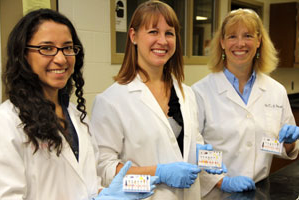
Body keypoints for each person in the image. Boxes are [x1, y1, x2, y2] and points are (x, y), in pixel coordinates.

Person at [0, 8, 157, 200]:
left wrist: (104, 195)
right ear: (23, 55)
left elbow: (88, 185)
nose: (60, 59)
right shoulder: (7, 122)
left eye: (67, 48)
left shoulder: (76, 117)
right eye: (46, 48)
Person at [90, 1, 225, 200]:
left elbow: (192, 144)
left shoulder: (186, 94)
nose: (162, 41)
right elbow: (104, 169)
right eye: (153, 31)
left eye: (169, 33)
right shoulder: (111, 101)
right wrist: (157, 172)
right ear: (133, 36)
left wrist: (207, 160)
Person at [192, 8, 299, 197]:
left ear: (259, 41)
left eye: (248, 35)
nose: (240, 43)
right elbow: (191, 150)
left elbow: (285, 147)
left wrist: (290, 143)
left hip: (258, 192)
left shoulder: (276, 91)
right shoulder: (200, 92)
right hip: (214, 194)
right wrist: (222, 181)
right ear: (222, 43)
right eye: (232, 36)